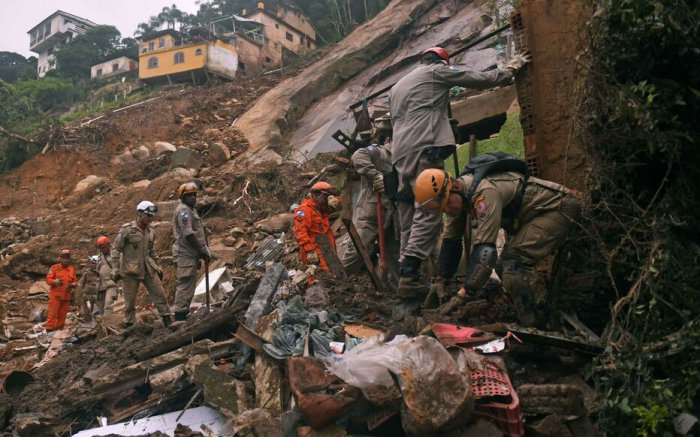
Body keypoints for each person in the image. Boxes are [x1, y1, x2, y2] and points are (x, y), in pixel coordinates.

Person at [388, 47, 531, 298]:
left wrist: (443, 123)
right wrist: (509, 70)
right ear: (441, 62)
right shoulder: (436, 72)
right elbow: (478, 79)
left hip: (400, 153)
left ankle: (405, 273)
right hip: (424, 149)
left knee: (409, 210)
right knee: (431, 208)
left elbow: (416, 113)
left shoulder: (398, 86)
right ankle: (411, 276)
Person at [414, 168, 581, 326]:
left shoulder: (485, 193)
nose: (447, 211)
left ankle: (538, 322)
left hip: (558, 207)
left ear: (455, 186)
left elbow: (485, 254)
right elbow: (451, 241)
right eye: (442, 209)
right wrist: (440, 279)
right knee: (504, 267)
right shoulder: (457, 198)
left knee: (512, 263)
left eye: (447, 204)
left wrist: (464, 294)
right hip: (531, 215)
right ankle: (533, 310)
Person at [341, 143, 400, 287]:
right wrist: (376, 176)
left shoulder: (404, 159)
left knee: (395, 257)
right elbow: (358, 156)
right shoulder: (380, 152)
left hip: (391, 217)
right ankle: (337, 284)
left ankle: (399, 292)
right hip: (369, 215)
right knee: (356, 253)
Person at [111, 201, 172, 328]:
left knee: (160, 294)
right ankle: (129, 325)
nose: (150, 218)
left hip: (148, 268)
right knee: (130, 302)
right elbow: (116, 249)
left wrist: (157, 265)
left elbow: (152, 250)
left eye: (152, 216)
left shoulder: (151, 230)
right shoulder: (127, 230)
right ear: (140, 214)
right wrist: (115, 269)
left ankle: (167, 320)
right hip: (130, 270)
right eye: (148, 215)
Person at [172, 182, 211, 321]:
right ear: (182, 197)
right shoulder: (184, 211)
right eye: (189, 196)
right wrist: (202, 251)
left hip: (190, 255)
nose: (193, 198)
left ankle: (183, 314)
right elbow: (188, 234)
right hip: (185, 255)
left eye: (194, 195)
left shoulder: (191, 209)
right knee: (185, 286)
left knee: (189, 287)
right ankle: (180, 317)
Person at [294, 182, 342, 272]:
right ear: (316, 195)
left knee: (334, 275)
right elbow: (300, 232)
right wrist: (310, 251)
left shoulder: (321, 208)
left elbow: (338, 205)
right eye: (326, 197)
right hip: (315, 252)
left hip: (328, 250)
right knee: (319, 278)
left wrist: (335, 199)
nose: (327, 201)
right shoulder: (304, 210)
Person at [45, 249, 78, 332]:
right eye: (63, 258)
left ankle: (58, 331)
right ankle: (49, 331)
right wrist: (55, 282)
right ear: (60, 259)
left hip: (66, 297)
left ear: (70, 259)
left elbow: (75, 281)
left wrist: (74, 284)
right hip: (55, 296)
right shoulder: (54, 268)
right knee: (52, 315)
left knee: (62, 316)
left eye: (67, 258)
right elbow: (48, 280)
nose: (65, 260)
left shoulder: (71, 269)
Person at [96, 236, 118, 315]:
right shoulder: (100, 257)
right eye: (100, 248)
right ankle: (103, 324)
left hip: (112, 284)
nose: (102, 250)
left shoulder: (115, 255)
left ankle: (107, 323)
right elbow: (98, 269)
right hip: (102, 286)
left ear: (108, 245)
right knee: (101, 308)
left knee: (108, 304)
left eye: (103, 247)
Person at [76, 256, 100, 320]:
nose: (91, 265)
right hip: (87, 295)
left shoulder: (101, 273)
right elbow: (81, 283)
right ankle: (88, 322)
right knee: (87, 312)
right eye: (90, 263)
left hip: (98, 295)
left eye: (93, 263)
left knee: (101, 310)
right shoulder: (87, 273)